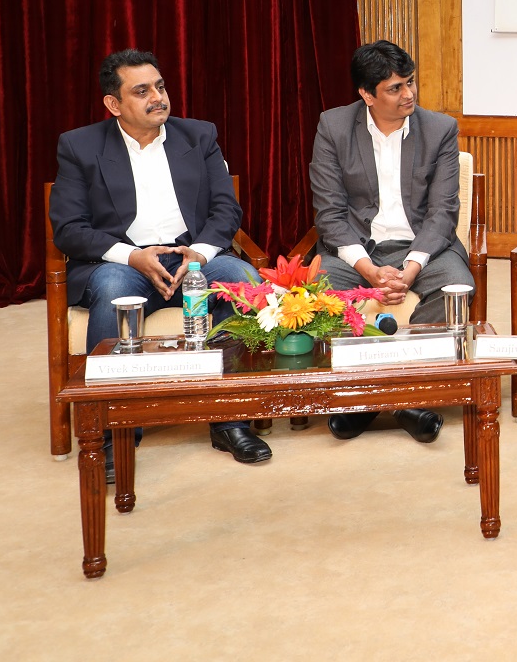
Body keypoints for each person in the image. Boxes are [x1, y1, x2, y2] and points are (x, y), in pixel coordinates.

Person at [50, 49, 271, 482]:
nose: (158, 97)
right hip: (122, 258)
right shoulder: (79, 146)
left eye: (161, 86)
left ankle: (229, 418)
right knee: (115, 290)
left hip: (192, 256)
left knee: (244, 281)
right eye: (142, 91)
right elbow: (69, 229)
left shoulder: (199, 136)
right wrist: (131, 255)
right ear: (113, 104)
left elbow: (226, 210)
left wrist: (201, 253)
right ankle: (116, 432)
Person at [308, 39, 474, 444]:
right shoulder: (333, 126)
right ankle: (372, 396)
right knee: (322, 293)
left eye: (410, 83)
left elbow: (442, 212)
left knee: (455, 285)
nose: (409, 94)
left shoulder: (439, 129)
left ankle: (398, 395)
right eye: (395, 88)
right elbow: (329, 213)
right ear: (366, 94)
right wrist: (368, 269)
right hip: (355, 250)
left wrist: (410, 267)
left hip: (423, 246)